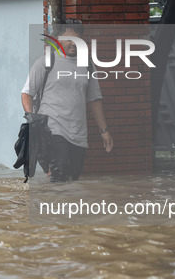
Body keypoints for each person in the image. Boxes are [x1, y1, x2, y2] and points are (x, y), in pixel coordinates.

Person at [21, 20, 113, 182]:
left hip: (78, 133)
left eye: (77, 40)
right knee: (58, 175)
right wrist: (32, 121)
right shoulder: (45, 62)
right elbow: (27, 93)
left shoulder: (88, 65)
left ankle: (62, 206)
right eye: (69, 39)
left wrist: (104, 131)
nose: (73, 44)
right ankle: (54, 206)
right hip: (52, 129)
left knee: (72, 179)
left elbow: (94, 100)